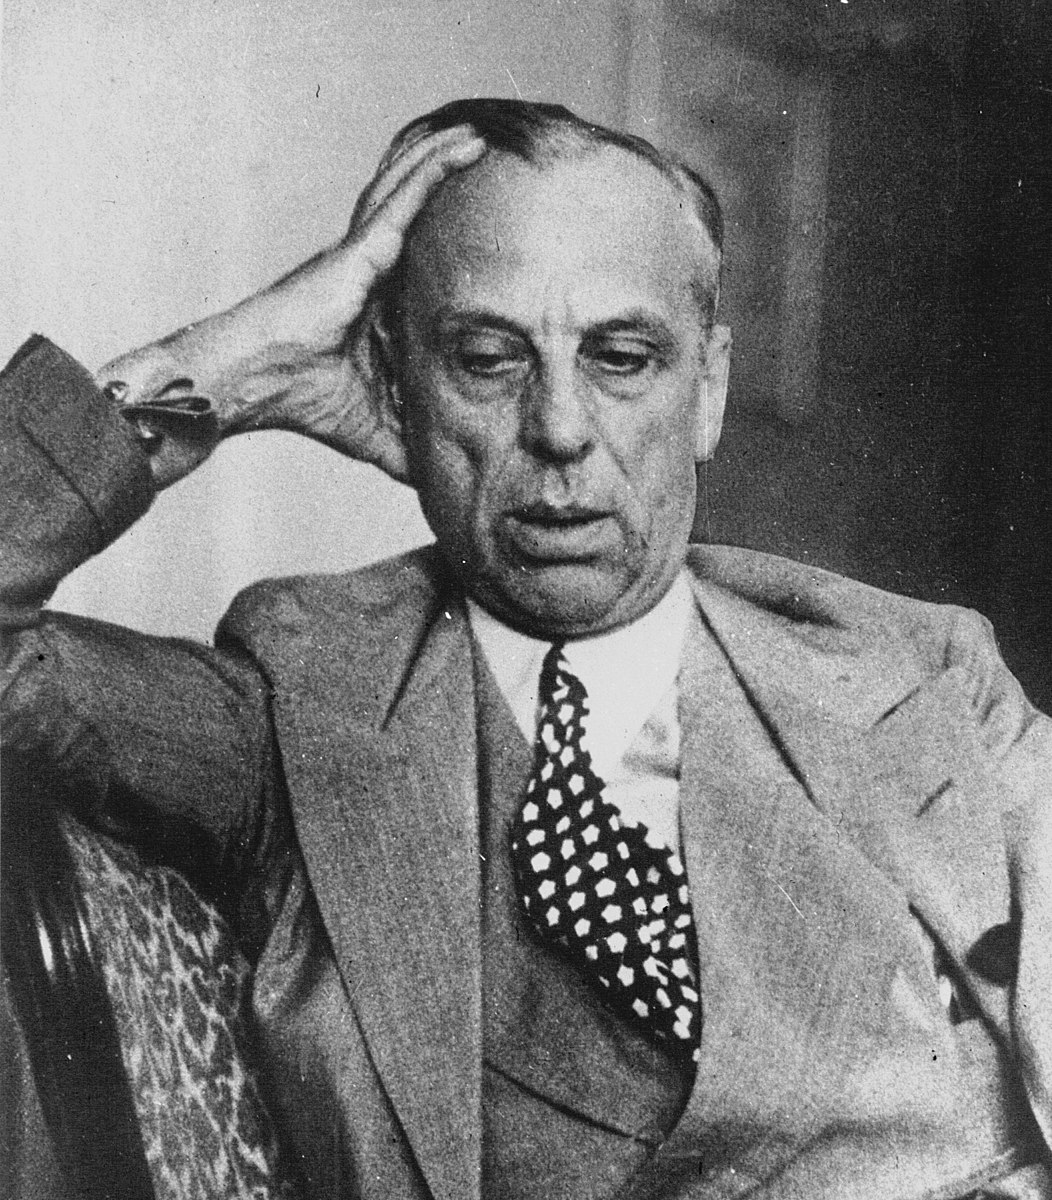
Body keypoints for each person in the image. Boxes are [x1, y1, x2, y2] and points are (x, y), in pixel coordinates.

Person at [2, 98, 1051, 1200]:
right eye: (488, 359)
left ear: (707, 390)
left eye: (622, 358)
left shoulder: (919, 677)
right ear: (396, 386)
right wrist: (226, 368)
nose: (558, 427)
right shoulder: (296, 707)